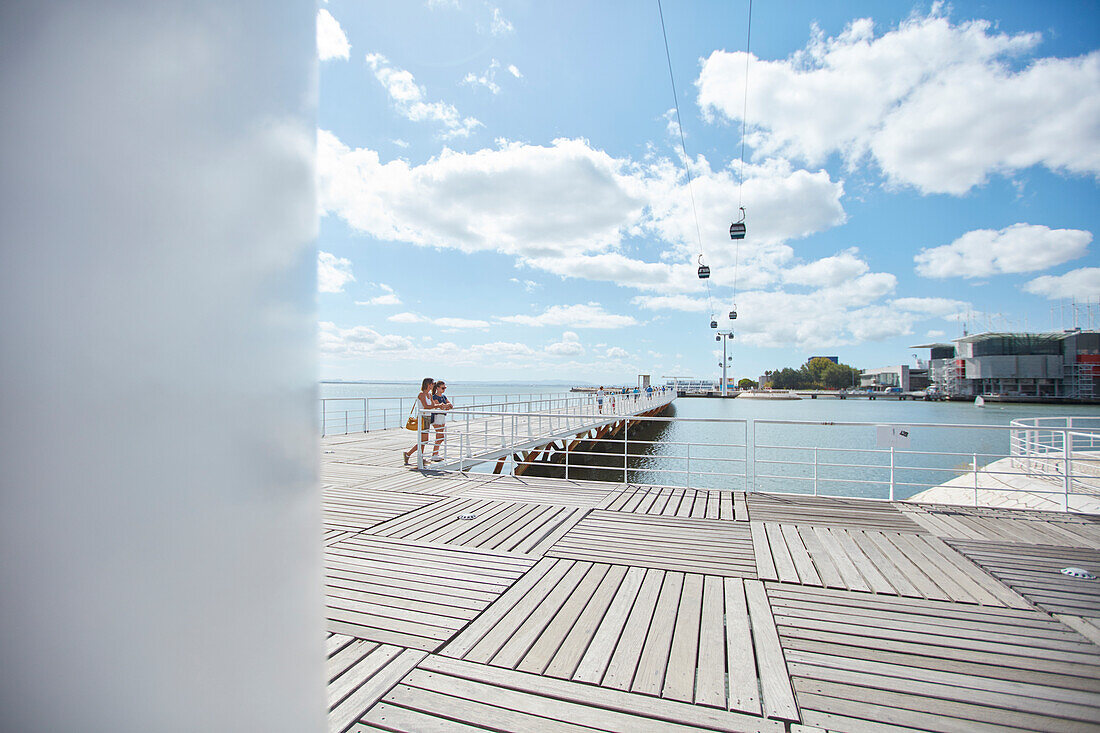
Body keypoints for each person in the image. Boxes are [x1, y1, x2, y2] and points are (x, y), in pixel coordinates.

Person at [403, 377, 448, 466]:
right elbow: (426, 406)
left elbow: (432, 405)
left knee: (424, 440)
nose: (433, 386)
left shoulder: (429, 395)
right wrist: (438, 406)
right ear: (428, 384)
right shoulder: (422, 395)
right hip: (422, 418)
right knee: (423, 440)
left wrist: (439, 405)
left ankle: (411, 455)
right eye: (432, 384)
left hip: (428, 418)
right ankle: (414, 456)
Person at [429, 380, 451, 462]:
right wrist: (445, 406)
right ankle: (434, 454)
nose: (444, 389)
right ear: (437, 388)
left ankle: (435, 454)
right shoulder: (434, 397)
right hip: (436, 417)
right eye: (442, 388)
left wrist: (445, 406)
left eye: (445, 388)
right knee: (440, 436)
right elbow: (440, 407)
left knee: (440, 437)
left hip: (442, 417)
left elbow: (450, 405)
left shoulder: (443, 397)